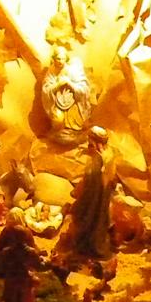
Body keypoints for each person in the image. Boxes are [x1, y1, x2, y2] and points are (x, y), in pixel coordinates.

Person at [70, 126, 115, 259]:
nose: (88, 143)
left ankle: (90, 246)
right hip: (94, 194)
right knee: (84, 217)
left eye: (90, 139)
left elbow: (98, 178)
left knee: (90, 219)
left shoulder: (103, 157)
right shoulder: (102, 154)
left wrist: (82, 190)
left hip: (95, 198)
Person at [0, 208, 43, 302]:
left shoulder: (6, 252)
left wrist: (1, 271)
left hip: (11, 280)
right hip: (25, 281)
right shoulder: (31, 252)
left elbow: (0, 261)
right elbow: (38, 265)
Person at [41, 46, 93, 145]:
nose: (60, 61)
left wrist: (70, 84)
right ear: (54, 59)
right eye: (58, 59)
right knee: (58, 120)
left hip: (74, 103)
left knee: (79, 122)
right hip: (58, 104)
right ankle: (60, 135)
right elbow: (46, 90)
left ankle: (74, 135)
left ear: (66, 59)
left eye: (63, 59)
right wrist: (57, 85)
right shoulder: (51, 71)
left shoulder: (73, 70)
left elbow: (84, 88)